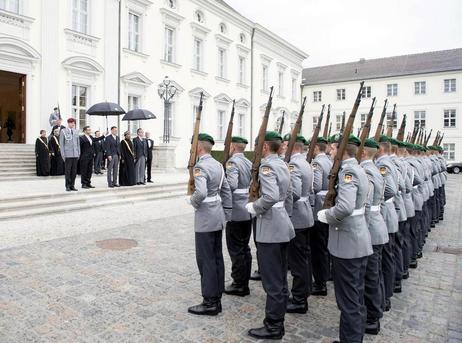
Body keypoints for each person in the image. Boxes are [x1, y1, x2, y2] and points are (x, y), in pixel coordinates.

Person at [317, 134, 372, 343]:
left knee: (348, 299)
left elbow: (346, 207)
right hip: (357, 240)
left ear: (340, 150)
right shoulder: (359, 169)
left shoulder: (348, 171)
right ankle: (354, 338)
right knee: (356, 295)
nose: (330, 152)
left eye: (332, 149)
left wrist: (328, 215)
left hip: (348, 244)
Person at [246, 131, 294, 340]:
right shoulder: (282, 164)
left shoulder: (267, 166)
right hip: (282, 223)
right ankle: (277, 320)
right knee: (280, 278)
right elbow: (289, 195)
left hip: (270, 227)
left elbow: (271, 196)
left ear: (265, 147)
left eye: (258, 146)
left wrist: (255, 207)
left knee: (272, 280)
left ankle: (274, 326)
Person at [187, 133, 232, 316]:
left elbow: (202, 192)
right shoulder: (218, 165)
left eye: (193, 147)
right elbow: (226, 190)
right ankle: (217, 292)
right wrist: (226, 214)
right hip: (217, 215)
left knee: (205, 260)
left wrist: (193, 201)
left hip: (205, 217)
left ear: (198, 148)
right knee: (216, 257)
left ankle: (210, 302)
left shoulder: (201, 166)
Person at [360, 138, 389, 335]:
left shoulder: (368, 170)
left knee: (370, 276)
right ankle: (375, 311)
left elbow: (367, 204)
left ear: (363, 153)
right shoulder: (375, 168)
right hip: (376, 224)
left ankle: (372, 319)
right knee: (374, 273)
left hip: (371, 228)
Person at [285, 134, 315, 314]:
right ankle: (304, 292)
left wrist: (283, 206)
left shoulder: (294, 165)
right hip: (305, 213)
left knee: (297, 261)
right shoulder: (305, 162)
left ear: (292, 146)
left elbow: (294, 193)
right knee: (303, 258)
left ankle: (299, 299)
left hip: (297, 215)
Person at [223, 136, 253, 297]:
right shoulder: (248, 162)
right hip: (247, 209)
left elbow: (232, 185)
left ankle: (239, 283)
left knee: (236, 249)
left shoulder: (232, 163)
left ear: (233, 147)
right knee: (244, 247)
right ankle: (244, 280)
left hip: (236, 210)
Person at [375, 135, 399, 312]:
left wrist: (377, 201)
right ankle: (386, 295)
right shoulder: (385, 162)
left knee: (386, 259)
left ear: (381, 149)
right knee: (386, 258)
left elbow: (390, 190)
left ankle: (387, 296)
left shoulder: (383, 164)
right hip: (385, 213)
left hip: (385, 213)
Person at [310, 136, 333, 296]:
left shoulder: (317, 163)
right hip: (329, 206)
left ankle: (320, 283)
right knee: (326, 245)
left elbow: (316, 186)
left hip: (319, 206)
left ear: (317, 148)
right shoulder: (331, 161)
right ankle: (326, 275)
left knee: (318, 248)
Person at [59, 118, 80, 191]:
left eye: (73, 123)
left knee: (74, 171)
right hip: (68, 154)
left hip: (75, 154)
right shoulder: (63, 131)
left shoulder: (76, 131)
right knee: (68, 171)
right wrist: (63, 154)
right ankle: (67, 185)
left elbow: (78, 143)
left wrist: (78, 152)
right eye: (71, 123)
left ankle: (72, 185)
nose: (73, 124)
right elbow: (61, 144)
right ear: (68, 123)